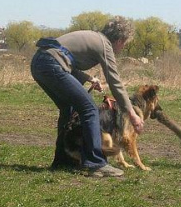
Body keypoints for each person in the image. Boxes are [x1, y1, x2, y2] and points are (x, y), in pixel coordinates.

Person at [30, 16, 145, 177]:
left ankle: (63, 160)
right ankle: (96, 163)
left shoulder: (93, 37)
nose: (123, 47)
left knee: (68, 109)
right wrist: (132, 115)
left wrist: (88, 78)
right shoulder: (105, 45)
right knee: (89, 108)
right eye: (125, 43)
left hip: (39, 63)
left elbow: (64, 59)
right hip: (50, 64)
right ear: (120, 40)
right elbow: (115, 83)